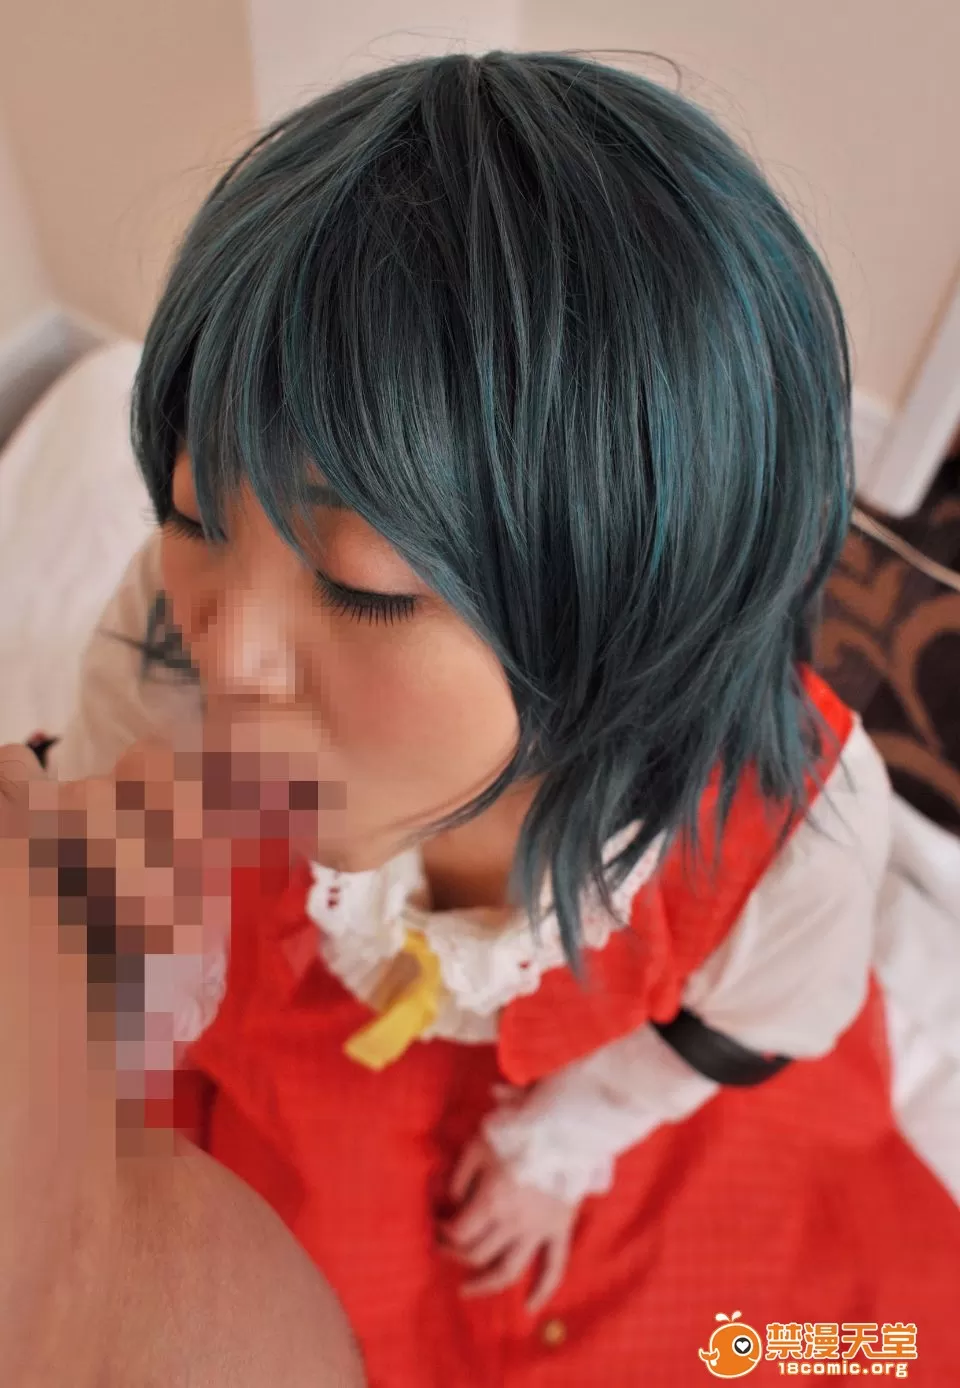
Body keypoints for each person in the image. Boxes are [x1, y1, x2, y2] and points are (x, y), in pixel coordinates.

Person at [18, 49, 960, 1386]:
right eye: (192, 516)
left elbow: (736, 1026)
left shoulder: (791, 838)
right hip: (294, 1056)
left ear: (632, 611)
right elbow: (100, 849)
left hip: (589, 1080)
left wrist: (558, 1147)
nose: (227, 647)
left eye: (360, 583)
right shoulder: (170, 648)